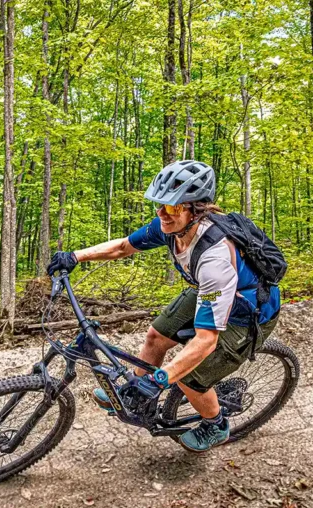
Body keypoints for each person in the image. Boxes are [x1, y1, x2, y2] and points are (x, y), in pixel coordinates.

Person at [47, 160, 281, 452]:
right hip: (214, 293)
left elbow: (206, 340)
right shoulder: (170, 228)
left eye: (172, 207)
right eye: (159, 205)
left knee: (188, 378)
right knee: (156, 336)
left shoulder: (215, 260)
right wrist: (75, 256)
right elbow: (123, 247)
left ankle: (216, 424)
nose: (162, 214)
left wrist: (163, 378)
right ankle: (136, 394)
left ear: (196, 209)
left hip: (247, 314)